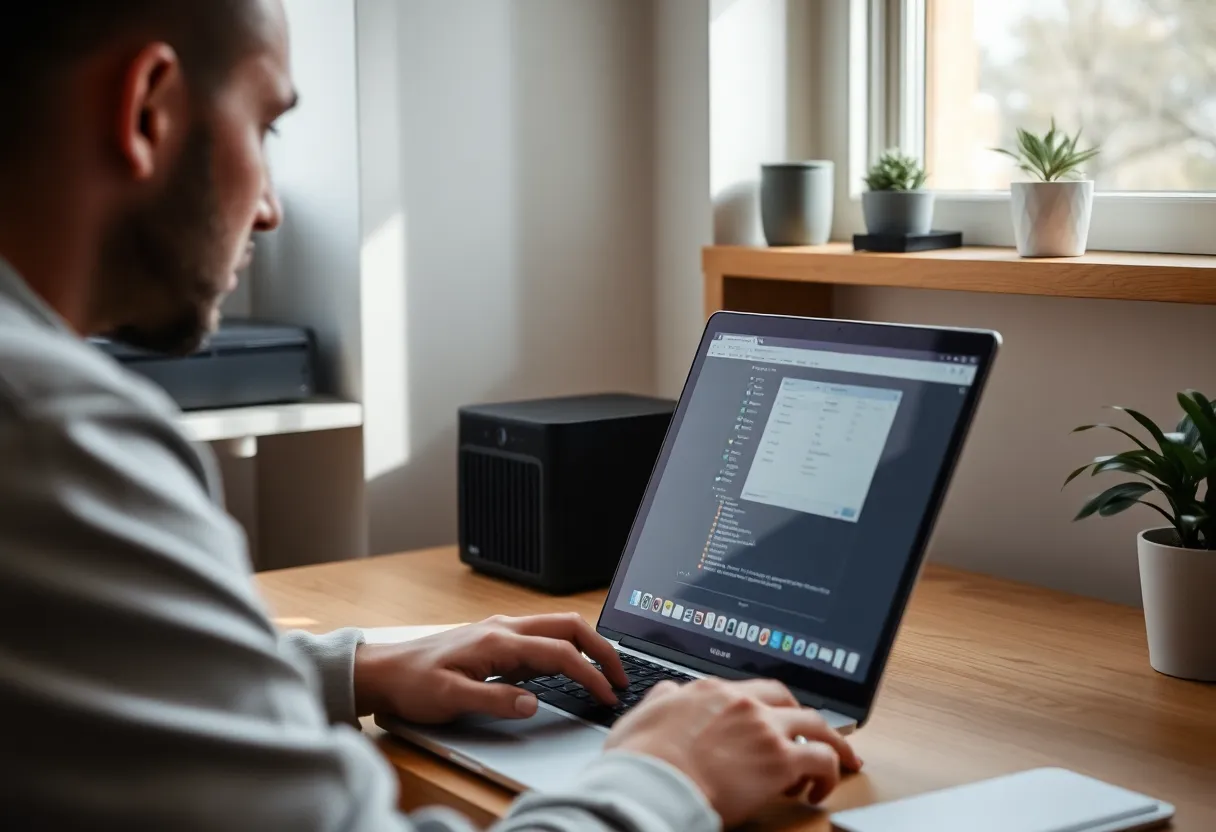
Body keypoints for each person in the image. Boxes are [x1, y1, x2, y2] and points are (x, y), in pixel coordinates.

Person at [0, 1, 861, 829]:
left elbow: (78, 669)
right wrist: (665, 777)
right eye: (266, 128)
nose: (269, 207)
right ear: (149, 108)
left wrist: (352, 670)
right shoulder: (52, 434)